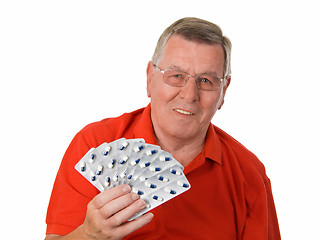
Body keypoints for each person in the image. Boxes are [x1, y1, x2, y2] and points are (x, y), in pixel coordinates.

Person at [45, 17, 281, 239]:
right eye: (176, 75)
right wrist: (89, 234)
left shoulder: (249, 175)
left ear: (224, 91)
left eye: (206, 81)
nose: (189, 95)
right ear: (150, 78)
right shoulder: (95, 144)